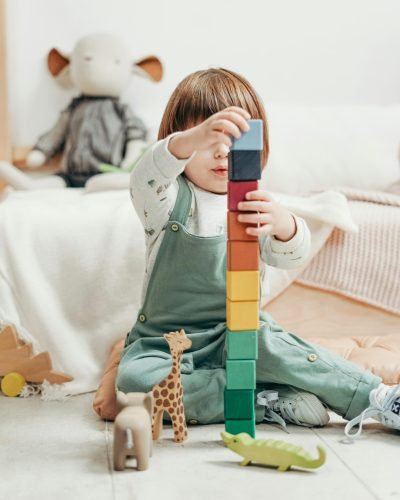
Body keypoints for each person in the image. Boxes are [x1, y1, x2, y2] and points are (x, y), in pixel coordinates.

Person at [116, 67, 400, 438]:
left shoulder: (253, 203)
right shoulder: (166, 202)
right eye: (209, 138)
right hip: (165, 343)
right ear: (181, 142)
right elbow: (145, 177)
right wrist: (189, 140)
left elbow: (290, 256)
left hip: (238, 331)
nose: (220, 150)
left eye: (233, 139)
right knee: (134, 381)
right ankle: (264, 399)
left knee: (276, 346)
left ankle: (377, 397)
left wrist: (284, 225)